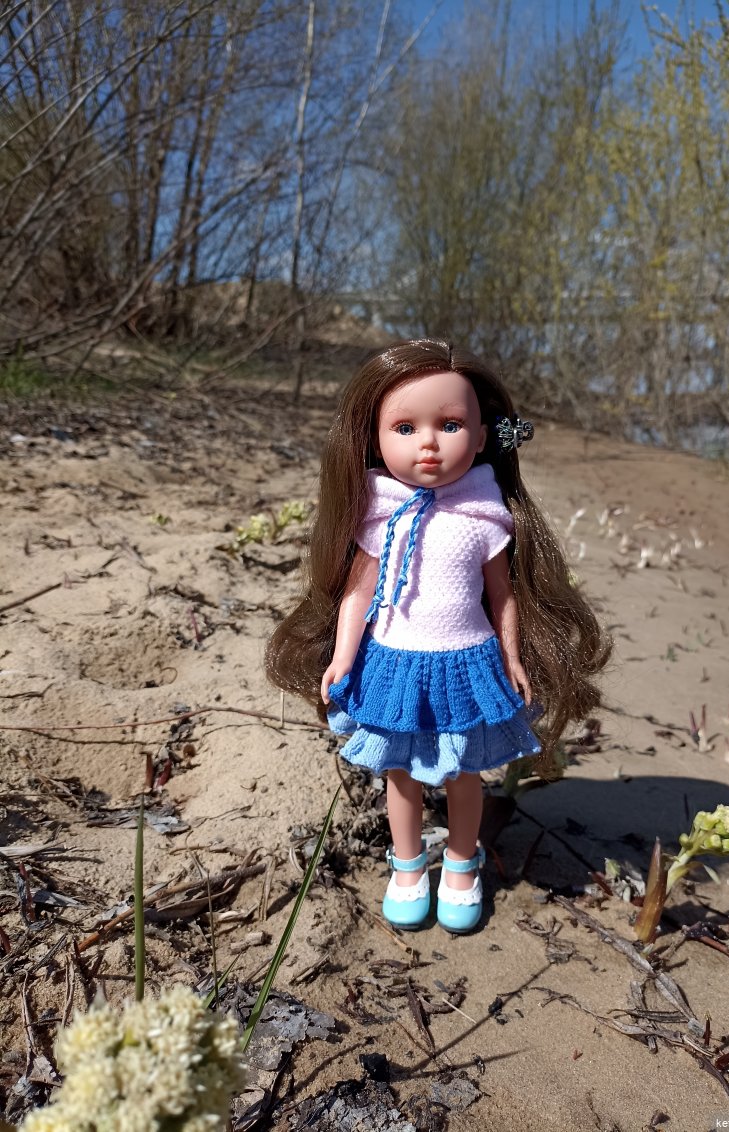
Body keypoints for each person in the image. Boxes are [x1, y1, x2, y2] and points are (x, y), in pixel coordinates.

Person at [266, 338, 609, 933]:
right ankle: (406, 867)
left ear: (480, 439)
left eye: (449, 425)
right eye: (405, 427)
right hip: (394, 660)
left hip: (465, 661)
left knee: (463, 774)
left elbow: (503, 597)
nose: (428, 442)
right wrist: (343, 657)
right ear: (375, 439)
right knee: (399, 773)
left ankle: (459, 862)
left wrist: (512, 656)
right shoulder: (379, 514)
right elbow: (357, 596)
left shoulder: (483, 516)